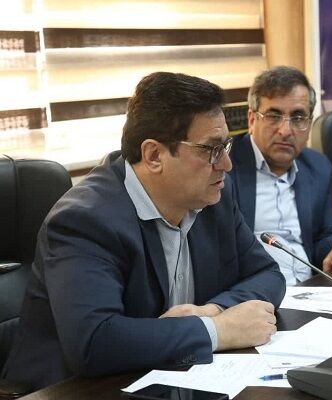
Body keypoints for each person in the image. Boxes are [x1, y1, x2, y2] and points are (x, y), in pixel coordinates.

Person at [2, 72, 286, 390]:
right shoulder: (85, 220)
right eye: (211, 150)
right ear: (154, 156)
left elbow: (268, 274)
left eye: (226, 147)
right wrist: (217, 331)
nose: (226, 165)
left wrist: (213, 310)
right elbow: (94, 342)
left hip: (168, 378)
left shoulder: (213, 196)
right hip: (71, 389)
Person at [229, 66, 332, 284]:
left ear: (309, 123)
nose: (285, 130)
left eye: (298, 117)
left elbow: (325, 235)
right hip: (253, 293)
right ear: (252, 119)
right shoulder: (224, 167)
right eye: (273, 116)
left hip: (310, 289)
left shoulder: (318, 167)